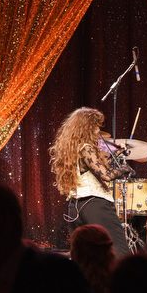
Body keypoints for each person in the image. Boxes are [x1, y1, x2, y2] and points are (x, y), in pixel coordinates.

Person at [49, 107, 133, 258]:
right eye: (96, 126)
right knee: (119, 252)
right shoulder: (86, 148)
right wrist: (124, 169)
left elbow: (94, 167)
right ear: (87, 127)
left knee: (86, 257)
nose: (98, 130)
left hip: (75, 208)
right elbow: (106, 175)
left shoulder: (73, 149)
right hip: (95, 205)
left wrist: (116, 153)